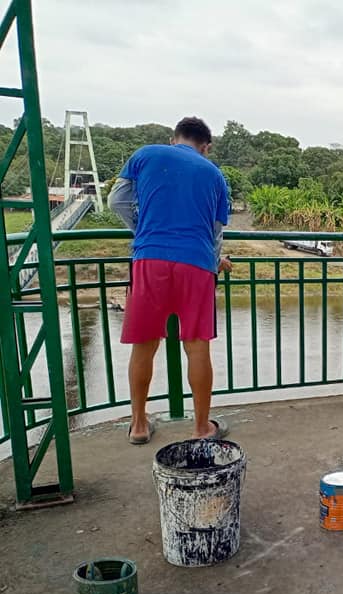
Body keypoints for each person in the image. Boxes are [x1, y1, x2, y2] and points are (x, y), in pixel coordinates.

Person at [108, 116, 232, 444]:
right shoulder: (215, 175)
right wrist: (215, 262)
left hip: (149, 258)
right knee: (197, 345)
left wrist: (144, 228)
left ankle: (138, 425)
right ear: (206, 147)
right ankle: (201, 427)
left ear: (173, 138)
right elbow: (216, 232)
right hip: (196, 263)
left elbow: (116, 201)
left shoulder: (146, 155)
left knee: (144, 344)